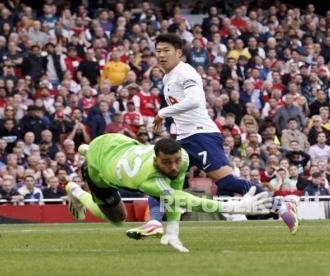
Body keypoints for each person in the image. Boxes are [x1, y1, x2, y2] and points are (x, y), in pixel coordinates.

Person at [131, 34, 299, 238]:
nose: (161, 55)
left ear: (179, 53)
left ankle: (281, 206)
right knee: (158, 176)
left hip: (202, 135)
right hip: (184, 138)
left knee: (227, 182)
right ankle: (155, 222)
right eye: (158, 51)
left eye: (166, 50)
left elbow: (194, 100)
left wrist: (163, 112)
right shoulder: (167, 77)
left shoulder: (186, 73)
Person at [66, 134, 272, 252]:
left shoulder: (180, 156)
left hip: (118, 143)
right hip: (99, 164)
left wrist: (173, 229)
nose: (174, 167)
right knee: (118, 218)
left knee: (172, 182)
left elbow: (176, 190)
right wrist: (233, 206)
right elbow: (182, 198)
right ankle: (75, 191)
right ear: (156, 160)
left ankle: (86, 147)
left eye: (176, 161)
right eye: (166, 162)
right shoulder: (147, 179)